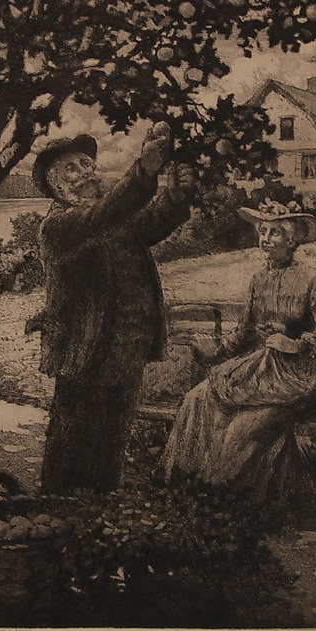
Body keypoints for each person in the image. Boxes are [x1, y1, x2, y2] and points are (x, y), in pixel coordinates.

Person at [34, 121, 195, 496]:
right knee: (75, 430)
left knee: (113, 432)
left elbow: (149, 225)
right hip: (86, 347)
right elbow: (103, 215)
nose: (83, 172)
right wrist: (143, 172)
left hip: (129, 343)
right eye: (69, 169)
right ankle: (58, 502)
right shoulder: (59, 225)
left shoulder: (109, 215)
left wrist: (175, 196)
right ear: (55, 186)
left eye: (85, 163)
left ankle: (100, 502)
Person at [162, 200, 316, 520]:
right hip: (260, 370)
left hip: (301, 374)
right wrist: (216, 349)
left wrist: (297, 344)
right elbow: (244, 333)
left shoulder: (314, 279)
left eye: (275, 233)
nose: (266, 239)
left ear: (292, 239)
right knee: (196, 399)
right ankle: (187, 490)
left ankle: (239, 505)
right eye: (263, 232)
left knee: (245, 428)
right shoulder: (258, 281)